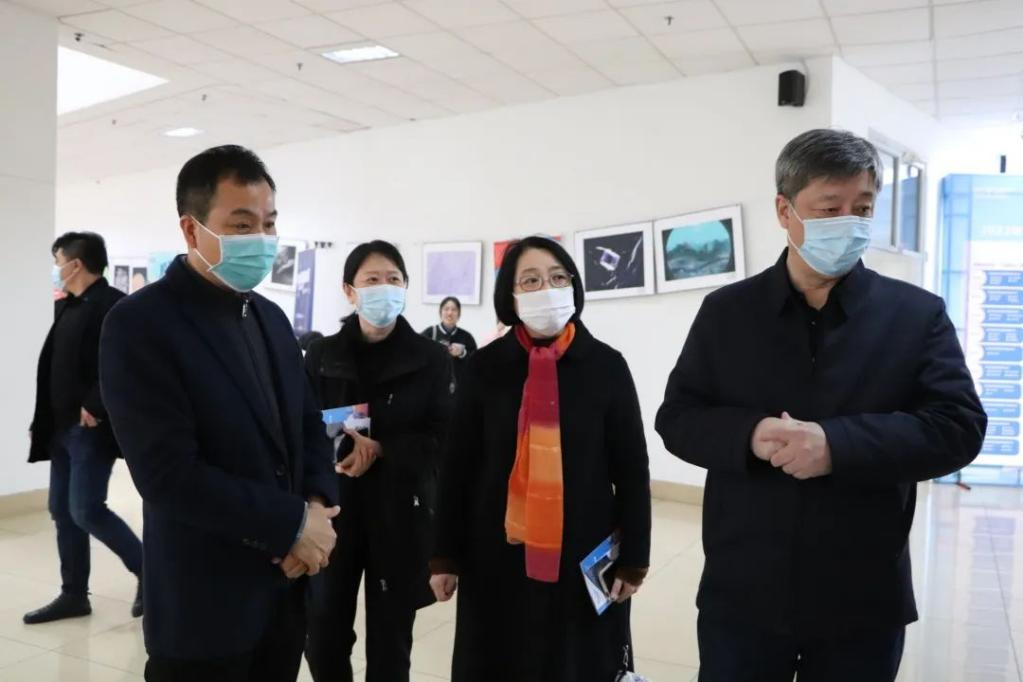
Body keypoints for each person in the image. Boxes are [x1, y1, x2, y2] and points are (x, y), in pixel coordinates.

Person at [655, 129, 987, 682]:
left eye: (864, 208)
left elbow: (959, 427)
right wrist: (748, 435)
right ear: (784, 210)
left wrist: (837, 445)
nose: (850, 223)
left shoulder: (915, 315)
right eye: (830, 209)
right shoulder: (727, 312)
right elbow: (678, 417)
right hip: (744, 588)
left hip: (862, 594)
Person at [99, 145, 340, 682]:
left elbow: (308, 425)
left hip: (285, 595)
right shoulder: (140, 323)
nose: (262, 239)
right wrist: (292, 525)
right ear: (192, 230)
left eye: (269, 223)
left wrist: (318, 505)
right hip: (203, 606)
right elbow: (167, 475)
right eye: (242, 224)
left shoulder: (271, 317)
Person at [431, 236, 652, 680]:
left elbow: (631, 468)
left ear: (573, 285)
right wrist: (444, 555)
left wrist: (634, 558)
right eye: (530, 280)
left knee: (577, 664)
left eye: (556, 277)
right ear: (510, 295)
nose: (546, 288)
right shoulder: (484, 368)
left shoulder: (606, 366)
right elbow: (457, 467)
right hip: (495, 553)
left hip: (584, 553)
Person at [303, 240, 452, 682]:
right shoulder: (322, 355)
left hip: (400, 512)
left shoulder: (431, 358)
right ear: (349, 290)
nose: (384, 287)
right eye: (372, 279)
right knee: (324, 633)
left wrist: (384, 448)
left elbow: (445, 438)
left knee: (391, 643)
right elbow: (302, 429)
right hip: (334, 511)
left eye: (393, 279)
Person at [25, 232, 144, 624]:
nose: (56, 268)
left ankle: (149, 572)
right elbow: (53, 369)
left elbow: (125, 363)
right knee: (62, 510)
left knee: (86, 509)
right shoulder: (67, 306)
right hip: (60, 429)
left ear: (75, 264)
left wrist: (95, 403)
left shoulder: (115, 306)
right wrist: (41, 421)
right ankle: (74, 594)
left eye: (58, 260)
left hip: (90, 430)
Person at [420, 296, 477, 388]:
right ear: (440, 312)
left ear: (459, 314)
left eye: (454, 309)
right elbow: (418, 355)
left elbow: (475, 362)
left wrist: (462, 353)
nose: (450, 313)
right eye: (446, 309)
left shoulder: (466, 336)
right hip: (433, 386)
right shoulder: (430, 333)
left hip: (459, 387)